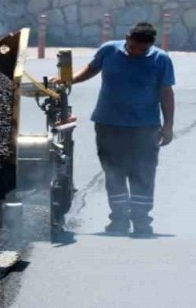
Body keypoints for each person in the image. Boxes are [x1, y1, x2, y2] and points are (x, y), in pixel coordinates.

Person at [73, 22, 176, 237]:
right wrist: (69, 80)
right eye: (132, 47)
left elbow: (166, 93)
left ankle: (141, 221)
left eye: (142, 49)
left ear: (150, 46)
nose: (136, 52)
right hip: (108, 123)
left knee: (143, 174)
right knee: (114, 173)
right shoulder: (109, 50)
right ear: (126, 39)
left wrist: (168, 126)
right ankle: (118, 219)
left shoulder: (161, 59)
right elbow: (91, 69)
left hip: (145, 127)